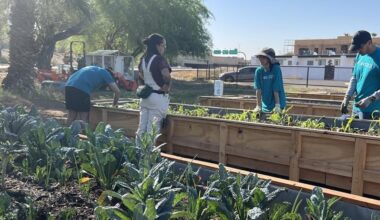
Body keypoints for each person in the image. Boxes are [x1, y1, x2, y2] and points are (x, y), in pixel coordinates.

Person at [136, 33, 171, 138]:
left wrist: (146, 84)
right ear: (157, 45)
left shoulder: (143, 59)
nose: (164, 48)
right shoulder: (159, 59)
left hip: (146, 97)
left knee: (141, 128)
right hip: (157, 97)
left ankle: (138, 152)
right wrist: (167, 87)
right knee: (152, 130)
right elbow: (166, 75)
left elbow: (140, 76)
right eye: (164, 45)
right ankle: (148, 154)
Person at [341, 30, 380, 119]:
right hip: (357, 109)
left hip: (374, 112)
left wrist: (371, 99)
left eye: (360, 47)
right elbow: (354, 78)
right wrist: (347, 97)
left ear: (369, 43)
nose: (358, 50)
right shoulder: (360, 55)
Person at [253, 48, 286, 113]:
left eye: (263, 57)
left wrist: (277, 105)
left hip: (278, 103)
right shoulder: (259, 71)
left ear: (269, 58)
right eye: (260, 57)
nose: (260, 59)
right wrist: (259, 106)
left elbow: (276, 88)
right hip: (265, 105)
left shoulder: (276, 69)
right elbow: (258, 89)